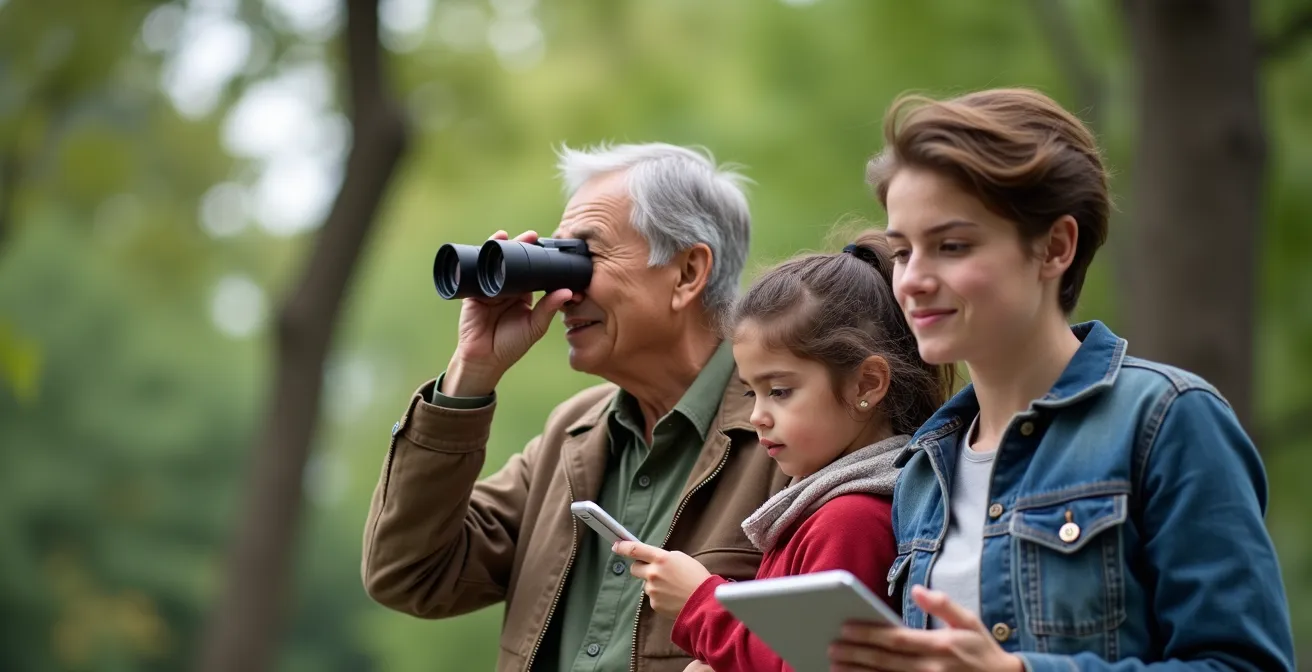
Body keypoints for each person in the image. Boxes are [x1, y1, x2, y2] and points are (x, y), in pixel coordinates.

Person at [826, 88, 1296, 672]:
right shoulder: (921, 471)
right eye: (902, 252)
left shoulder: (1168, 419)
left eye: (951, 246)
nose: (914, 280)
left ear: (1055, 247)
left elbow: (1244, 664)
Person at [361, 142, 792, 672]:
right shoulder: (576, 434)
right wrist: (471, 373)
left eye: (585, 256)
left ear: (686, 273)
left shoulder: (788, 431)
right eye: (555, 256)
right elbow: (409, 574)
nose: (560, 288)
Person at [611, 230, 953, 672]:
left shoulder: (851, 520)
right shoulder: (817, 506)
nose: (757, 416)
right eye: (751, 393)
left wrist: (701, 606)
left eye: (779, 391)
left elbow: (814, 665)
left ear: (866, 384)